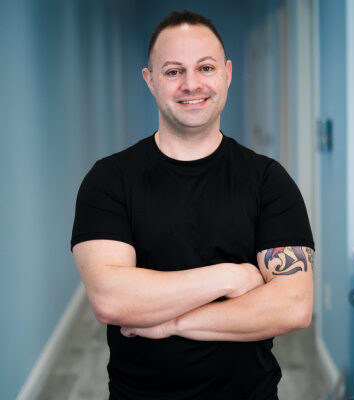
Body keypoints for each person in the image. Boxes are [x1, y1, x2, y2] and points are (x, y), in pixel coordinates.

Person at [71, 10, 314, 400]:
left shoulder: (269, 180)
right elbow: (111, 298)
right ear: (150, 80)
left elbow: (293, 306)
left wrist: (171, 323)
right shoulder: (109, 179)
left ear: (227, 73)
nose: (191, 84)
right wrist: (230, 277)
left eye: (205, 67)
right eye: (172, 72)